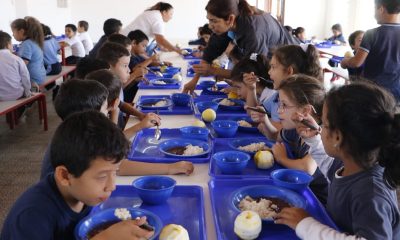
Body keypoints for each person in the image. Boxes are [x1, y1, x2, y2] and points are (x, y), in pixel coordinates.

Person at [3, 110, 155, 240]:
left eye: (114, 172)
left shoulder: (82, 193)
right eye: (102, 176)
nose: (112, 186)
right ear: (64, 176)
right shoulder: (31, 217)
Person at [277, 82, 400, 239]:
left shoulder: (371, 193)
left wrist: (306, 225)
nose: (320, 129)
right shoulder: (352, 164)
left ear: (337, 137)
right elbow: (329, 169)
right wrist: (314, 140)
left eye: (325, 125)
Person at [85, 70, 194, 176]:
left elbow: (112, 143)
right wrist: (169, 168)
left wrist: (140, 126)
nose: (129, 70)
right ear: (115, 102)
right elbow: (117, 166)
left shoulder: (88, 118)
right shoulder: (91, 128)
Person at [183, 0, 297, 94]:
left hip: (291, 61)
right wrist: (194, 80)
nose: (210, 25)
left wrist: (214, 71)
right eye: (208, 20)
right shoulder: (228, 24)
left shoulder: (253, 32)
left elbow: (254, 74)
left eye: (213, 21)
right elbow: (210, 52)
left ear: (230, 19)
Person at [262, 74, 329, 203]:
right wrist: (265, 121)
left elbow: (307, 168)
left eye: (284, 105)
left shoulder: (318, 135)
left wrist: (282, 158)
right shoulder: (294, 128)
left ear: (305, 111)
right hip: (300, 190)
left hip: (316, 201)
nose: (279, 111)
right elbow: (275, 136)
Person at [248, 44, 322, 133]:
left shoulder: (301, 100)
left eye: (273, 67)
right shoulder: (277, 96)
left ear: (289, 71)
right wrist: (251, 89)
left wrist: (265, 122)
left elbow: (281, 131)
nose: (269, 72)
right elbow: (255, 113)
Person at [341, 0, 400, 102]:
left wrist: (345, 61)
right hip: (396, 90)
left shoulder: (371, 34)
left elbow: (356, 63)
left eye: (374, 9)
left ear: (381, 9)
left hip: (373, 90)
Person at [10, 17, 46, 86]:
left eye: (13, 32)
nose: (12, 35)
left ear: (21, 31)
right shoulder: (33, 41)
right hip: (40, 76)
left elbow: (23, 64)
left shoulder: (26, 44)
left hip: (33, 79)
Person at [0, 31, 31, 101]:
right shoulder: (17, 59)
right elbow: (25, 78)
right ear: (8, 45)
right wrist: (27, 93)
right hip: (16, 95)